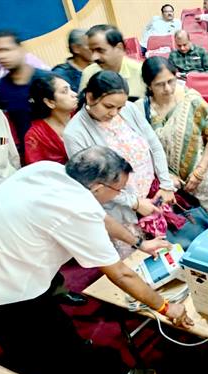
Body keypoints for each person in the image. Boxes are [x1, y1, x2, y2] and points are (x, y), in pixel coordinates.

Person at [0, 146, 193, 374]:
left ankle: (64, 369)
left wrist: (139, 243)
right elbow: (120, 274)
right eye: (119, 190)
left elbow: (100, 217)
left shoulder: (50, 170)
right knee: (41, 344)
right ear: (97, 188)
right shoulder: (76, 208)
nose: (121, 194)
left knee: (44, 335)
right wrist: (166, 308)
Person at [65, 71, 176, 257]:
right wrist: (135, 203)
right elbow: (93, 183)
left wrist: (165, 184)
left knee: (166, 250)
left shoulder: (129, 110)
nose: (114, 113)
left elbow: (154, 144)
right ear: (90, 97)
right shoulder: (74, 133)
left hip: (153, 194)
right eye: (108, 106)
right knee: (136, 259)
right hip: (120, 210)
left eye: (119, 107)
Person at [137, 57, 208, 228]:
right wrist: (167, 178)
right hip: (169, 185)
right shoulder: (141, 110)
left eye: (171, 81)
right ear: (148, 85)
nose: (167, 89)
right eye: (160, 84)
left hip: (204, 178)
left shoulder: (190, 100)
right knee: (187, 231)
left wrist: (199, 172)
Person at [0, 30, 49, 156]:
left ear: (21, 49)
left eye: (6, 50)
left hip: (57, 149)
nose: (1, 56)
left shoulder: (47, 80)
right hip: (27, 156)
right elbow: (1, 132)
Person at [79, 24, 145, 100]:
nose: (94, 57)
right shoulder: (89, 72)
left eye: (100, 50)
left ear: (119, 48)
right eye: (91, 51)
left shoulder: (141, 72)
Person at [25, 72, 78, 165]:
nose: (75, 94)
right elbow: (38, 170)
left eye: (71, 89)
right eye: (65, 91)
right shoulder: (35, 136)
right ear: (50, 102)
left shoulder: (81, 115)